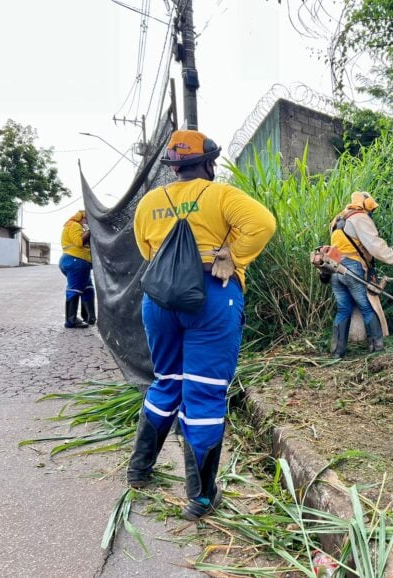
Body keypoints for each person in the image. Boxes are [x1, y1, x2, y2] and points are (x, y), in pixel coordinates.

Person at [127, 130, 276, 520]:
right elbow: (263, 224)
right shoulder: (220, 195)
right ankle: (201, 497)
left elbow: (146, 248)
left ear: (174, 165)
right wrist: (232, 254)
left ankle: (139, 470)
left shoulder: (150, 202)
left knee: (166, 381)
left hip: (159, 300)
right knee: (205, 392)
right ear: (208, 162)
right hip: (211, 293)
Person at [328, 191, 393, 357]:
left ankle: (337, 352)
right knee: (367, 307)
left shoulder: (338, 219)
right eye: (371, 210)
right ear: (366, 206)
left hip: (335, 268)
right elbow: (376, 247)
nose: (371, 214)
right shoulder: (360, 218)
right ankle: (378, 349)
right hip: (352, 268)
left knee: (343, 309)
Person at [59, 210, 96, 328]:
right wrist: (90, 231)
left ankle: (89, 317)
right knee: (74, 290)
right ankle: (71, 320)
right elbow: (79, 242)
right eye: (87, 219)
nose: (87, 222)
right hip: (76, 261)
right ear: (82, 218)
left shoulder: (72, 225)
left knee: (88, 288)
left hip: (76, 261)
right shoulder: (74, 225)